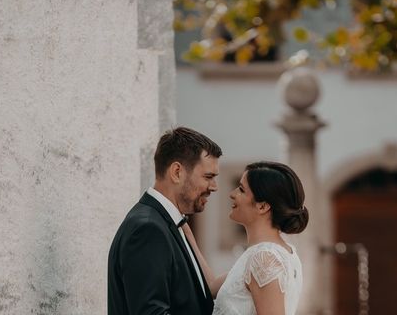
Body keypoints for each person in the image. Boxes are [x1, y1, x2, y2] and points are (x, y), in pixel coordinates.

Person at [107, 126, 222, 315]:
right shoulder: (147, 229)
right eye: (208, 177)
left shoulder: (166, 223)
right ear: (177, 172)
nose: (215, 187)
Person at [183, 161, 309, 315]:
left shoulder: (264, 259)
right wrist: (187, 233)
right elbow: (211, 286)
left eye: (241, 189)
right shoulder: (280, 252)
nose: (232, 193)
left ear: (262, 206)